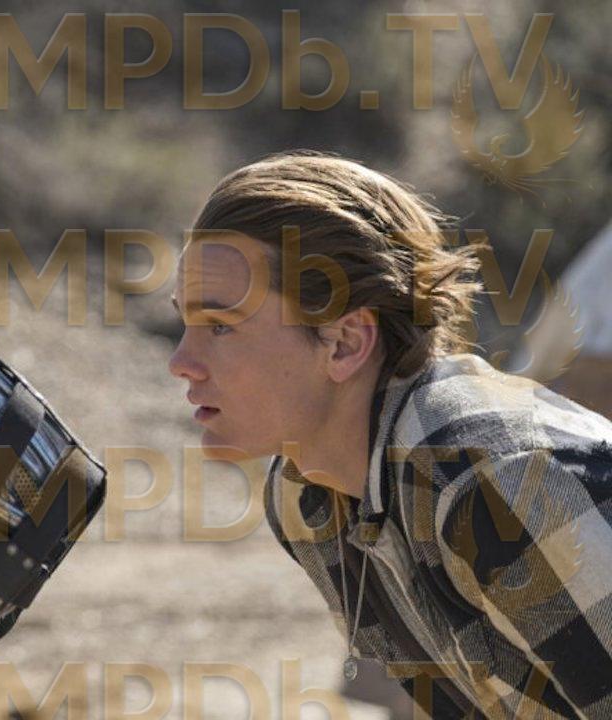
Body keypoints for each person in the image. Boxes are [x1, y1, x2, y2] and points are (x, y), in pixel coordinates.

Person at [167, 151, 612, 718]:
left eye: (220, 326)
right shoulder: (308, 495)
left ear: (345, 343)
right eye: (185, 322)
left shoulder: (492, 482)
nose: (181, 362)